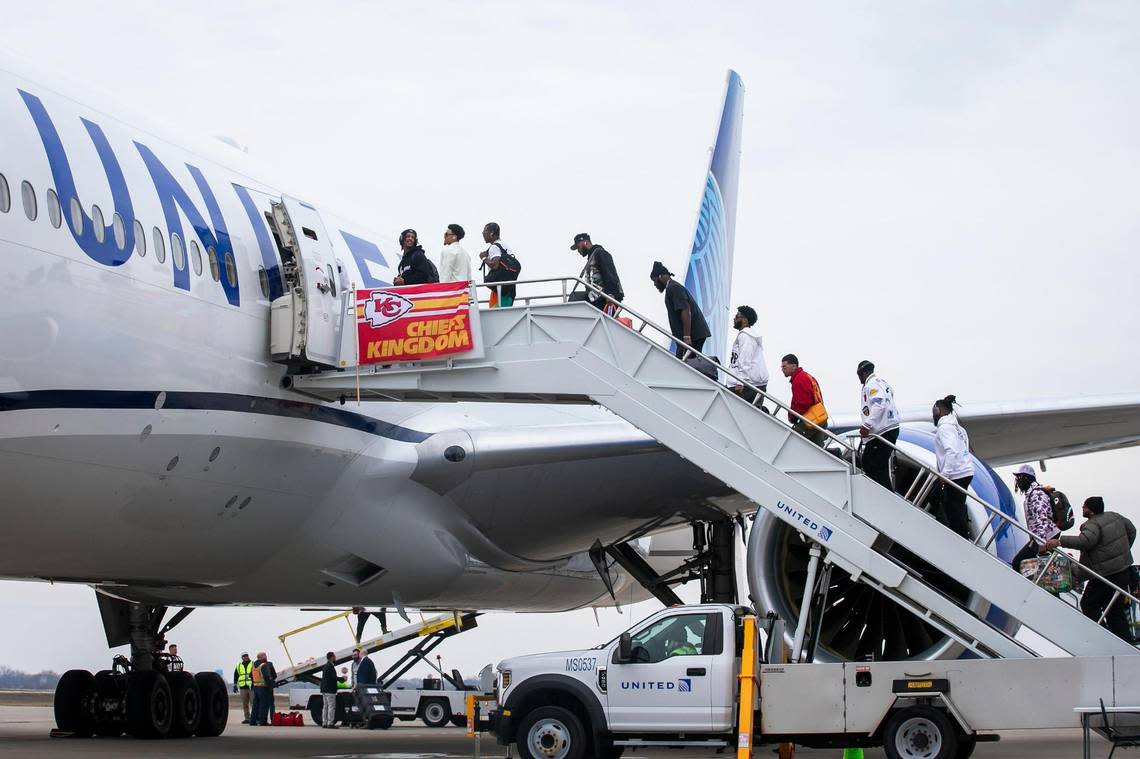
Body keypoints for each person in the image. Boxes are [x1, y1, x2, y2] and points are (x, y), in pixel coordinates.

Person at [1046, 497, 1137, 641]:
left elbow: (1085, 542)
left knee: (1088, 604)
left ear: (1091, 510)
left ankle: (1102, 637)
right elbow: (1132, 530)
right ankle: (1124, 642)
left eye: (1084, 506)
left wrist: (1059, 541)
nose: (1082, 508)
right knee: (1114, 610)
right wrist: (1122, 553)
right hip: (1122, 572)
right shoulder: (1115, 516)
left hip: (1105, 575)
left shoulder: (1092, 525)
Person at [931, 395, 974, 538]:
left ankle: (961, 538)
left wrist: (945, 475)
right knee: (956, 507)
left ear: (938, 411)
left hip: (956, 474)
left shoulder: (945, 428)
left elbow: (951, 451)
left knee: (952, 509)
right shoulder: (958, 428)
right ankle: (962, 534)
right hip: (965, 471)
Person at [650, 261, 710, 359]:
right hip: (691, 334)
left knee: (684, 364)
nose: (655, 284)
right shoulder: (672, 287)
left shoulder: (673, 288)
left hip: (693, 334)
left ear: (660, 277)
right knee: (681, 360)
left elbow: (685, 310)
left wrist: (687, 337)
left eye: (654, 280)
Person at [856, 360, 900, 492]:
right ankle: (884, 493)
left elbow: (879, 404)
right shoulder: (882, 382)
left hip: (882, 431)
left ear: (862, 373)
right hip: (889, 428)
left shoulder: (872, 384)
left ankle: (884, 495)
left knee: (871, 464)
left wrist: (866, 425)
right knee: (875, 464)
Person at [1009, 464, 1058, 571]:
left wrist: (1041, 543)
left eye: (1019, 477)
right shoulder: (1032, 493)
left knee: (1018, 562)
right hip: (1042, 536)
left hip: (1046, 536)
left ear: (1027, 478)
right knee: (1027, 564)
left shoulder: (1037, 494)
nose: (1017, 481)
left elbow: (1042, 518)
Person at [780, 354, 828, 447]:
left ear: (794, 366)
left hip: (810, 420)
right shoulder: (807, 376)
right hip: (819, 417)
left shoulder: (799, 380)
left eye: (784, 366)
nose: (782, 369)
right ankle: (836, 454)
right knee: (817, 450)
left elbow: (803, 404)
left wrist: (793, 417)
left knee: (791, 444)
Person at [571, 233, 624, 315]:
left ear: (586, 242)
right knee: (575, 298)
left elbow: (608, 272)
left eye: (578, 247)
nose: (578, 251)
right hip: (597, 297)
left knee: (575, 298)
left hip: (605, 297)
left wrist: (610, 294)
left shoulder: (600, 253)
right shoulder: (592, 257)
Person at [728, 306, 768, 405]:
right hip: (751, 384)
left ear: (745, 320)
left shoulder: (746, 336)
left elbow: (745, 359)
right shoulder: (746, 336)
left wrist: (740, 382)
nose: (734, 318)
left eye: (737, 316)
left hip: (748, 385)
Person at [479, 223, 518, 308]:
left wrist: (483, 258)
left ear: (492, 233)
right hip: (509, 289)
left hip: (499, 290)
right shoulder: (505, 245)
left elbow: (495, 265)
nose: (483, 234)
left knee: (496, 316)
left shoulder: (494, 247)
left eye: (484, 231)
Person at [249, 651, 275, 726]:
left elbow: (251, 676)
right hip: (263, 688)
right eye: (264, 656)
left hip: (255, 688)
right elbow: (267, 677)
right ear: (260, 657)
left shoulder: (253, 666)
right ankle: (262, 721)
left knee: (255, 705)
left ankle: (252, 721)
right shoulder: (263, 665)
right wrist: (270, 687)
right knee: (264, 705)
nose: (266, 657)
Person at [233, 652, 254, 724]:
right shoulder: (239, 666)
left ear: (248, 656)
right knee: (245, 704)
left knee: (253, 703)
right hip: (242, 687)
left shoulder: (253, 664)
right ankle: (247, 718)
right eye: (244, 656)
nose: (245, 657)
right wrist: (235, 685)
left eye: (246, 656)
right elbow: (236, 675)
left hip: (251, 687)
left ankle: (254, 718)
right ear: (242, 657)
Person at [320, 652, 339, 728]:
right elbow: (333, 678)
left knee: (325, 707)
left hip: (324, 690)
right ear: (331, 657)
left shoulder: (325, 666)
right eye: (334, 656)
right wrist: (342, 679)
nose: (335, 658)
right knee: (331, 706)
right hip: (330, 690)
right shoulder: (330, 666)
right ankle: (330, 723)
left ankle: (324, 723)